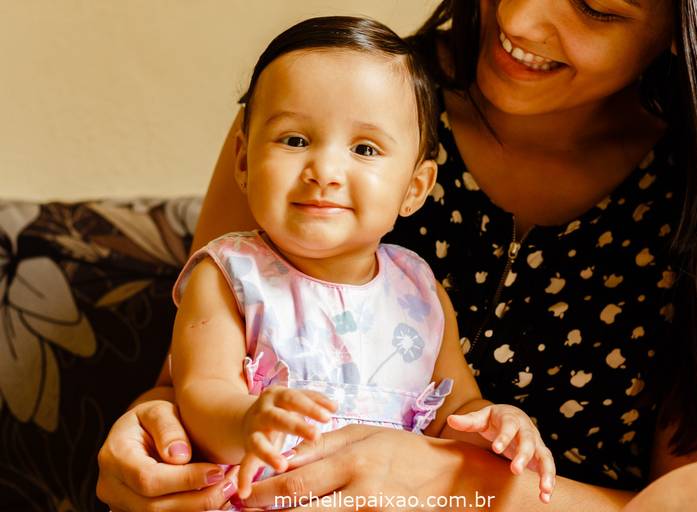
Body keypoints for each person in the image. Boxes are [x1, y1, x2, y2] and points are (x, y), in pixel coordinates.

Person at [97, 0, 697, 510]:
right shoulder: (319, 97)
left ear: (687, 24)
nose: (519, 19)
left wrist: (453, 476)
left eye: (594, 8)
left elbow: (696, 494)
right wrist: (156, 440)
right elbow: (194, 381)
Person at [168, 16, 555, 507]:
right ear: (243, 161)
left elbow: (454, 412)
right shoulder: (227, 275)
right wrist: (246, 422)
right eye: (295, 140)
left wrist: (497, 423)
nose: (325, 171)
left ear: (414, 188)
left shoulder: (418, 288)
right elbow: (200, 393)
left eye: (364, 148)